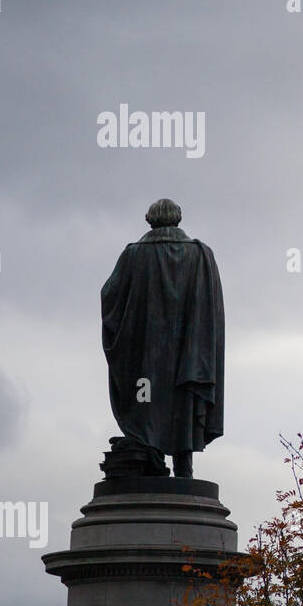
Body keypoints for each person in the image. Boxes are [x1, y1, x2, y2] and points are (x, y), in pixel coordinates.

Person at [101, 199, 224, 478]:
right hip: (189, 358)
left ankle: (148, 457)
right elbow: (212, 314)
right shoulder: (201, 255)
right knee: (184, 403)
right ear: (178, 219)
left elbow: (110, 297)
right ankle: (184, 469)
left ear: (149, 219)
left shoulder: (133, 255)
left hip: (144, 357)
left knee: (145, 404)